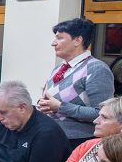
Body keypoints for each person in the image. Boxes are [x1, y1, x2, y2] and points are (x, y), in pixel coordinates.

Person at [37, 17, 114, 149]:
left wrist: (60, 107)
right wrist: (44, 104)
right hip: (53, 136)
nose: (53, 43)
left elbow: (102, 113)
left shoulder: (96, 69)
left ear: (78, 40)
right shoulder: (60, 67)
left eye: (59, 38)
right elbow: (54, 102)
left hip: (78, 141)